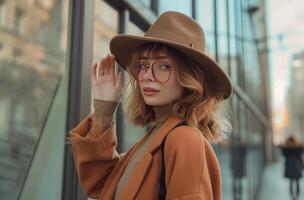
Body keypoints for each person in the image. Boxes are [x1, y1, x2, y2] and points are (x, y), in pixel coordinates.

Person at [68, 11, 232, 200]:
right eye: (144, 66)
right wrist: (104, 110)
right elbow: (103, 184)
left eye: (163, 66)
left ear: (189, 78)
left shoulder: (184, 139)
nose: (147, 75)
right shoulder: (155, 137)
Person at [281, 135, 304, 200]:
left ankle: (292, 197)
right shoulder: (297, 147)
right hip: (297, 165)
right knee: (297, 182)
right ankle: (297, 196)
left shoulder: (286, 147)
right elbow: (301, 151)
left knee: (291, 182)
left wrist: (286, 144)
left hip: (289, 166)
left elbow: (283, 153)